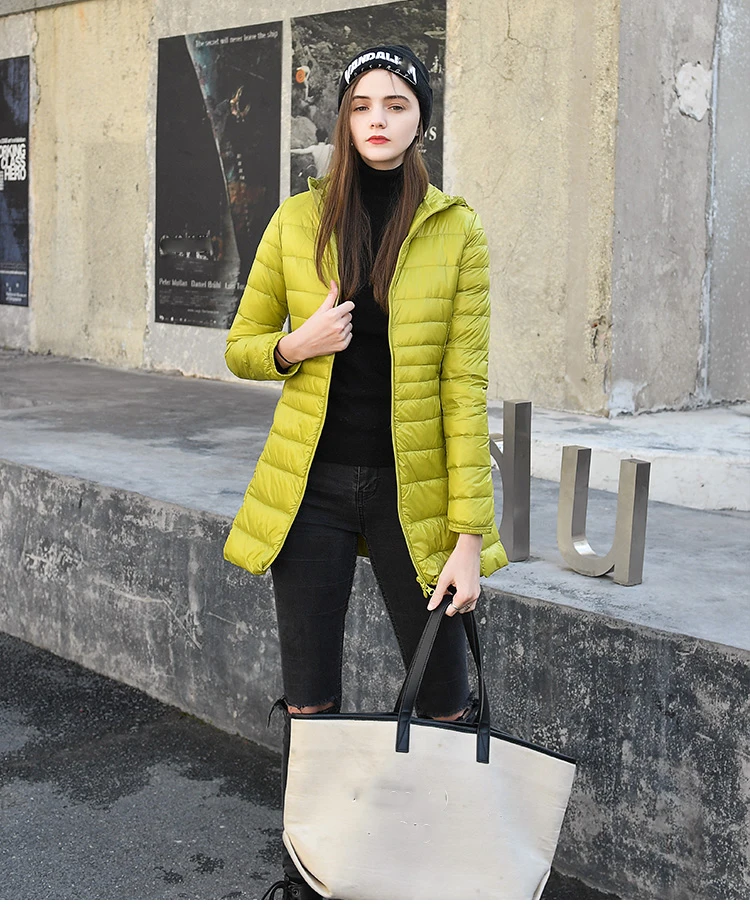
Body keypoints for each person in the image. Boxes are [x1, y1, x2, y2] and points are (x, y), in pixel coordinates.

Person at [222, 44, 508, 899]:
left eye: (396, 104)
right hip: (309, 490)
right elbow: (241, 346)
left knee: (446, 692)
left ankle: (447, 868)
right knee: (309, 700)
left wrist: (468, 539)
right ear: (344, 119)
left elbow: (465, 393)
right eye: (361, 105)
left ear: (422, 120)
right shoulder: (296, 221)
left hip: (408, 494)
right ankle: (311, 873)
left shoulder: (457, 231)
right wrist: (294, 345)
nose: (377, 119)